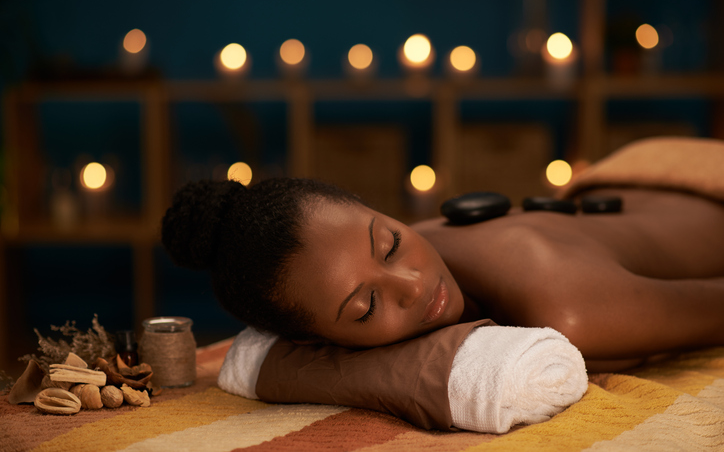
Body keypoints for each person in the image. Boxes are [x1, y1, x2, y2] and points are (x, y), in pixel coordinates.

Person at [161, 152, 724, 373]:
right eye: (366, 306)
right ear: (316, 340)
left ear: (375, 210)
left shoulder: (568, 307)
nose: (412, 284)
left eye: (390, 244)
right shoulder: (397, 250)